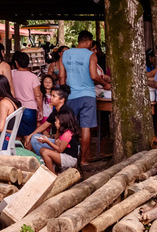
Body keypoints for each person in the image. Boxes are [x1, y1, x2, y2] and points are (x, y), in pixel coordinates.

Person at [61, 30, 109, 164]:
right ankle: (83, 160)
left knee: (68, 127)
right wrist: (104, 83)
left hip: (71, 95)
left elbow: (61, 77)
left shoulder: (65, 54)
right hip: (87, 95)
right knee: (86, 128)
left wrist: (63, 92)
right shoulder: (91, 55)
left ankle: (67, 158)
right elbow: (94, 76)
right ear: (89, 42)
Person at [26, 84, 70, 152]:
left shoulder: (65, 112)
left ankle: (49, 158)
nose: (51, 98)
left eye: (53, 96)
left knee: (36, 140)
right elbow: (44, 126)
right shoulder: (56, 111)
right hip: (58, 142)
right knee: (34, 138)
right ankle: (47, 158)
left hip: (66, 145)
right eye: (51, 95)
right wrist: (30, 136)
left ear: (62, 100)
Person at [10, 51, 41, 138]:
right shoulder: (33, 77)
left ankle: (18, 151)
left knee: (16, 135)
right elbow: (38, 95)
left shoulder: (12, 73)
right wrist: (40, 109)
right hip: (30, 109)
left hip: (16, 108)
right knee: (28, 136)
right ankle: (28, 151)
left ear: (16, 63)